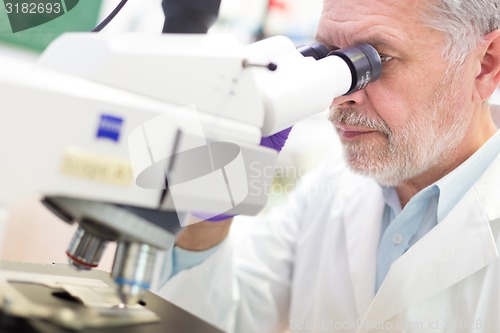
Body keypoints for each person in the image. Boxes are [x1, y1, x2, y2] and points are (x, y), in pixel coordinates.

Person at [154, 0, 500, 332]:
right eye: (330, 60)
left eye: (375, 60)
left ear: (485, 64)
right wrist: (210, 215)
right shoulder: (328, 189)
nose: (339, 95)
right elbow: (219, 321)